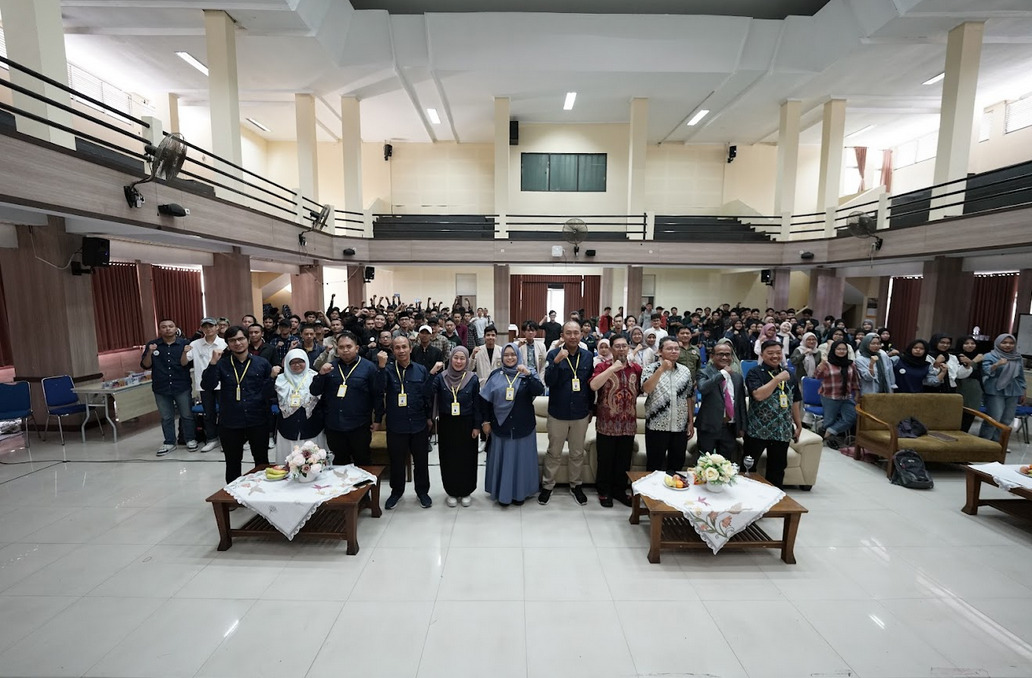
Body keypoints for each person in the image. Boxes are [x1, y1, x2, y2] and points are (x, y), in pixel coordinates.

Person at [201, 325, 278, 483]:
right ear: (228, 344)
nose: (237, 343)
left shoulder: (262, 363)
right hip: (231, 420)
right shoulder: (222, 364)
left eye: (241, 339)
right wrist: (212, 363)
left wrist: (271, 378)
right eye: (232, 340)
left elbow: (269, 393)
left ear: (248, 340)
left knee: (262, 461)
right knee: (232, 462)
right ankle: (233, 493)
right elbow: (207, 385)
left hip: (257, 419)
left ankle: (263, 492)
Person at [481, 343, 544, 506]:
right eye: (506, 355)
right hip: (500, 426)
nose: (510, 358)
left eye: (513, 354)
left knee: (520, 462)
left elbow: (539, 390)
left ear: (518, 355)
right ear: (502, 357)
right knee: (504, 461)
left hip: (523, 425)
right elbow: (486, 401)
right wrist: (485, 421)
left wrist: (528, 374)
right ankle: (503, 494)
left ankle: (519, 494)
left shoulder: (527, 373)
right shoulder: (495, 375)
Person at [540, 321, 595, 505]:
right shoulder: (553, 354)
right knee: (554, 452)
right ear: (562, 335)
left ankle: (576, 485)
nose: (572, 336)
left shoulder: (588, 356)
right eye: (568, 333)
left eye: (576, 333)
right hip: (558, 412)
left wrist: (591, 409)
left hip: (580, 412)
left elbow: (590, 385)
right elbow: (548, 382)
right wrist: (556, 362)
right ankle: (548, 485)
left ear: (581, 335)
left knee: (577, 453)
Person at [375, 335, 433, 509]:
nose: (401, 351)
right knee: (396, 461)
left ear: (410, 348)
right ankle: (396, 492)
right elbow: (378, 390)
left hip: (418, 423)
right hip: (396, 424)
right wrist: (381, 367)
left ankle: (422, 492)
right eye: (397, 348)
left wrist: (429, 417)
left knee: (421, 461)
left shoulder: (421, 370)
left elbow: (427, 396)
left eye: (404, 347)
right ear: (393, 351)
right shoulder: (387, 370)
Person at [311, 331, 379, 466]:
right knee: (339, 465)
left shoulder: (369, 367)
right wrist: (321, 375)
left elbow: (376, 394)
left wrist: (377, 419)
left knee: (363, 462)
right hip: (334, 425)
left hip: (359, 425)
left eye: (349, 346)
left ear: (357, 348)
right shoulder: (330, 367)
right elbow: (314, 391)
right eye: (341, 347)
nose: (345, 350)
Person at [590, 335, 642, 507]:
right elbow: (594, 385)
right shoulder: (602, 366)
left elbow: (643, 389)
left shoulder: (636, 368)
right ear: (611, 349)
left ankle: (619, 490)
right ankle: (604, 491)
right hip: (607, 423)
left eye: (624, 346)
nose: (621, 349)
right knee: (605, 459)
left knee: (624, 460)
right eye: (617, 346)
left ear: (628, 348)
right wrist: (612, 368)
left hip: (628, 424)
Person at [744, 340, 802, 489]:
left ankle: (774, 496)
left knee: (777, 469)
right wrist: (777, 379)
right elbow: (758, 395)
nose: (775, 356)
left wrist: (798, 424)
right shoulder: (755, 373)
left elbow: (795, 401)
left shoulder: (790, 374)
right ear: (762, 354)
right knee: (748, 467)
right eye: (770, 353)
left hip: (782, 430)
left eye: (778, 353)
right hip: (757, 430)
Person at [428, 346, 481, 507]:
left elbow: (477, 404)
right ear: (450, 359)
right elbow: (427, 393)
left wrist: (477, 426)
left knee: (467, 459)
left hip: (467, 424)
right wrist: (432, 373)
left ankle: (466, 491)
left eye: (462, 358)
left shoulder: (472, 379)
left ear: (467, 360)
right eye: (455, 358)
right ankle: (451, 491)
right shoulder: (441, 377)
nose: (458, 361)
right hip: (447, 424)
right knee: (449, 458)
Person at [140, 319, 196, 456]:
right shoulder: (153, 345)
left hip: (181, 385)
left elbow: (187, 364)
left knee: (187, 415)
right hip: (161, 387)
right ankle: (169, 442)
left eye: (171, 326)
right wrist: (150, 352)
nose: (167, 329)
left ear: (176, 328)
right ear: (160, 330)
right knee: (166, 417)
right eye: (164, 327)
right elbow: (146, 365)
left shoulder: (185, 344)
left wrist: (185, 353)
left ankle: (190, 439)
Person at [641, 336, 696, 474]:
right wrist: (661, 369)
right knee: (654, 466)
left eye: (676, 349)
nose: (674, 351)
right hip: (656, 425)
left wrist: (690, 422)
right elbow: (647, 389)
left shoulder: (685, 371)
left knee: (676, 466)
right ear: (660, 351)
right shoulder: (649, 369)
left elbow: (689, 397)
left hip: (679, 426)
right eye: (669, 348)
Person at [695, 341, 746, 466]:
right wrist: (722, 374)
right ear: (712, 356)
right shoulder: (704, 372)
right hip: (709, 426)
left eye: (728, 354)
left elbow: (740, 403)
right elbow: (703, 388)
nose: (724, 357)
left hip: (729, 427)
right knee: (705, 464)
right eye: (720, 354)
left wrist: (742, 426)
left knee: (725, 465)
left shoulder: (737, 377)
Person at [272, 349, 326, 464]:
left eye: (300, 361)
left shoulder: (315, 377)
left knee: (314, 463)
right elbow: (269, 397)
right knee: (289, 464)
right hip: (288, 428)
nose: (297, 365)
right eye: (293, 362)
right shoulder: (280, 379)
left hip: (312, 428)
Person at [182, 317, 226, 453]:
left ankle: (225, 439)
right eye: (205, 327)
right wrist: (184, 352)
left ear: (217, 327)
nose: (208, 329)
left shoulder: (224, 343)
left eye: (211, 326)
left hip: (223, 384)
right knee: (208, 413)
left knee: (225, 413)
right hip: (204, 385)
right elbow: (184, 362)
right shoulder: (195, 344)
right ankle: (212, 439)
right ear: (201, 329)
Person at [979, 333, 1027, 442]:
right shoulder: (989, 356)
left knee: (1006, 419)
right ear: (998, 343)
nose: (1008, 345)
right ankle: (984, 443)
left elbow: (1020, 375)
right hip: (995, 390)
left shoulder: (1017, 357)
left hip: (1013, 390)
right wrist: (997, 364)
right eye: (1004, 342)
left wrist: (1023, 390)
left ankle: (998, 444)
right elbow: (985, 371)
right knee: (994, 418)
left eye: (1011, 343)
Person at [814, 340, 861, 449]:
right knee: (829, 420)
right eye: (839, 349)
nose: (841, 351)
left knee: (851, 417)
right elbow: (817, 376)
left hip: (846, 396)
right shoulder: (827, 364)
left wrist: (857, 393)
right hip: (830, 396)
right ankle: (829, 438)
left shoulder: (851, 364)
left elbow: (855, 380)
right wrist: (821, 364)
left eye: (844, 349)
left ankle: (828, 432)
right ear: (834, 350)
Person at [955, 335, 985, 432]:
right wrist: (974, 361)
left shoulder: (980, 357)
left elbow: (978, 374)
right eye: (966, 343)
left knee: (968, 419)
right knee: (956, 418)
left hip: (974, 391)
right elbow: (961, 373)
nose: (970, 345)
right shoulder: (956, 356)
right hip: (959, 389)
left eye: (972, 343)